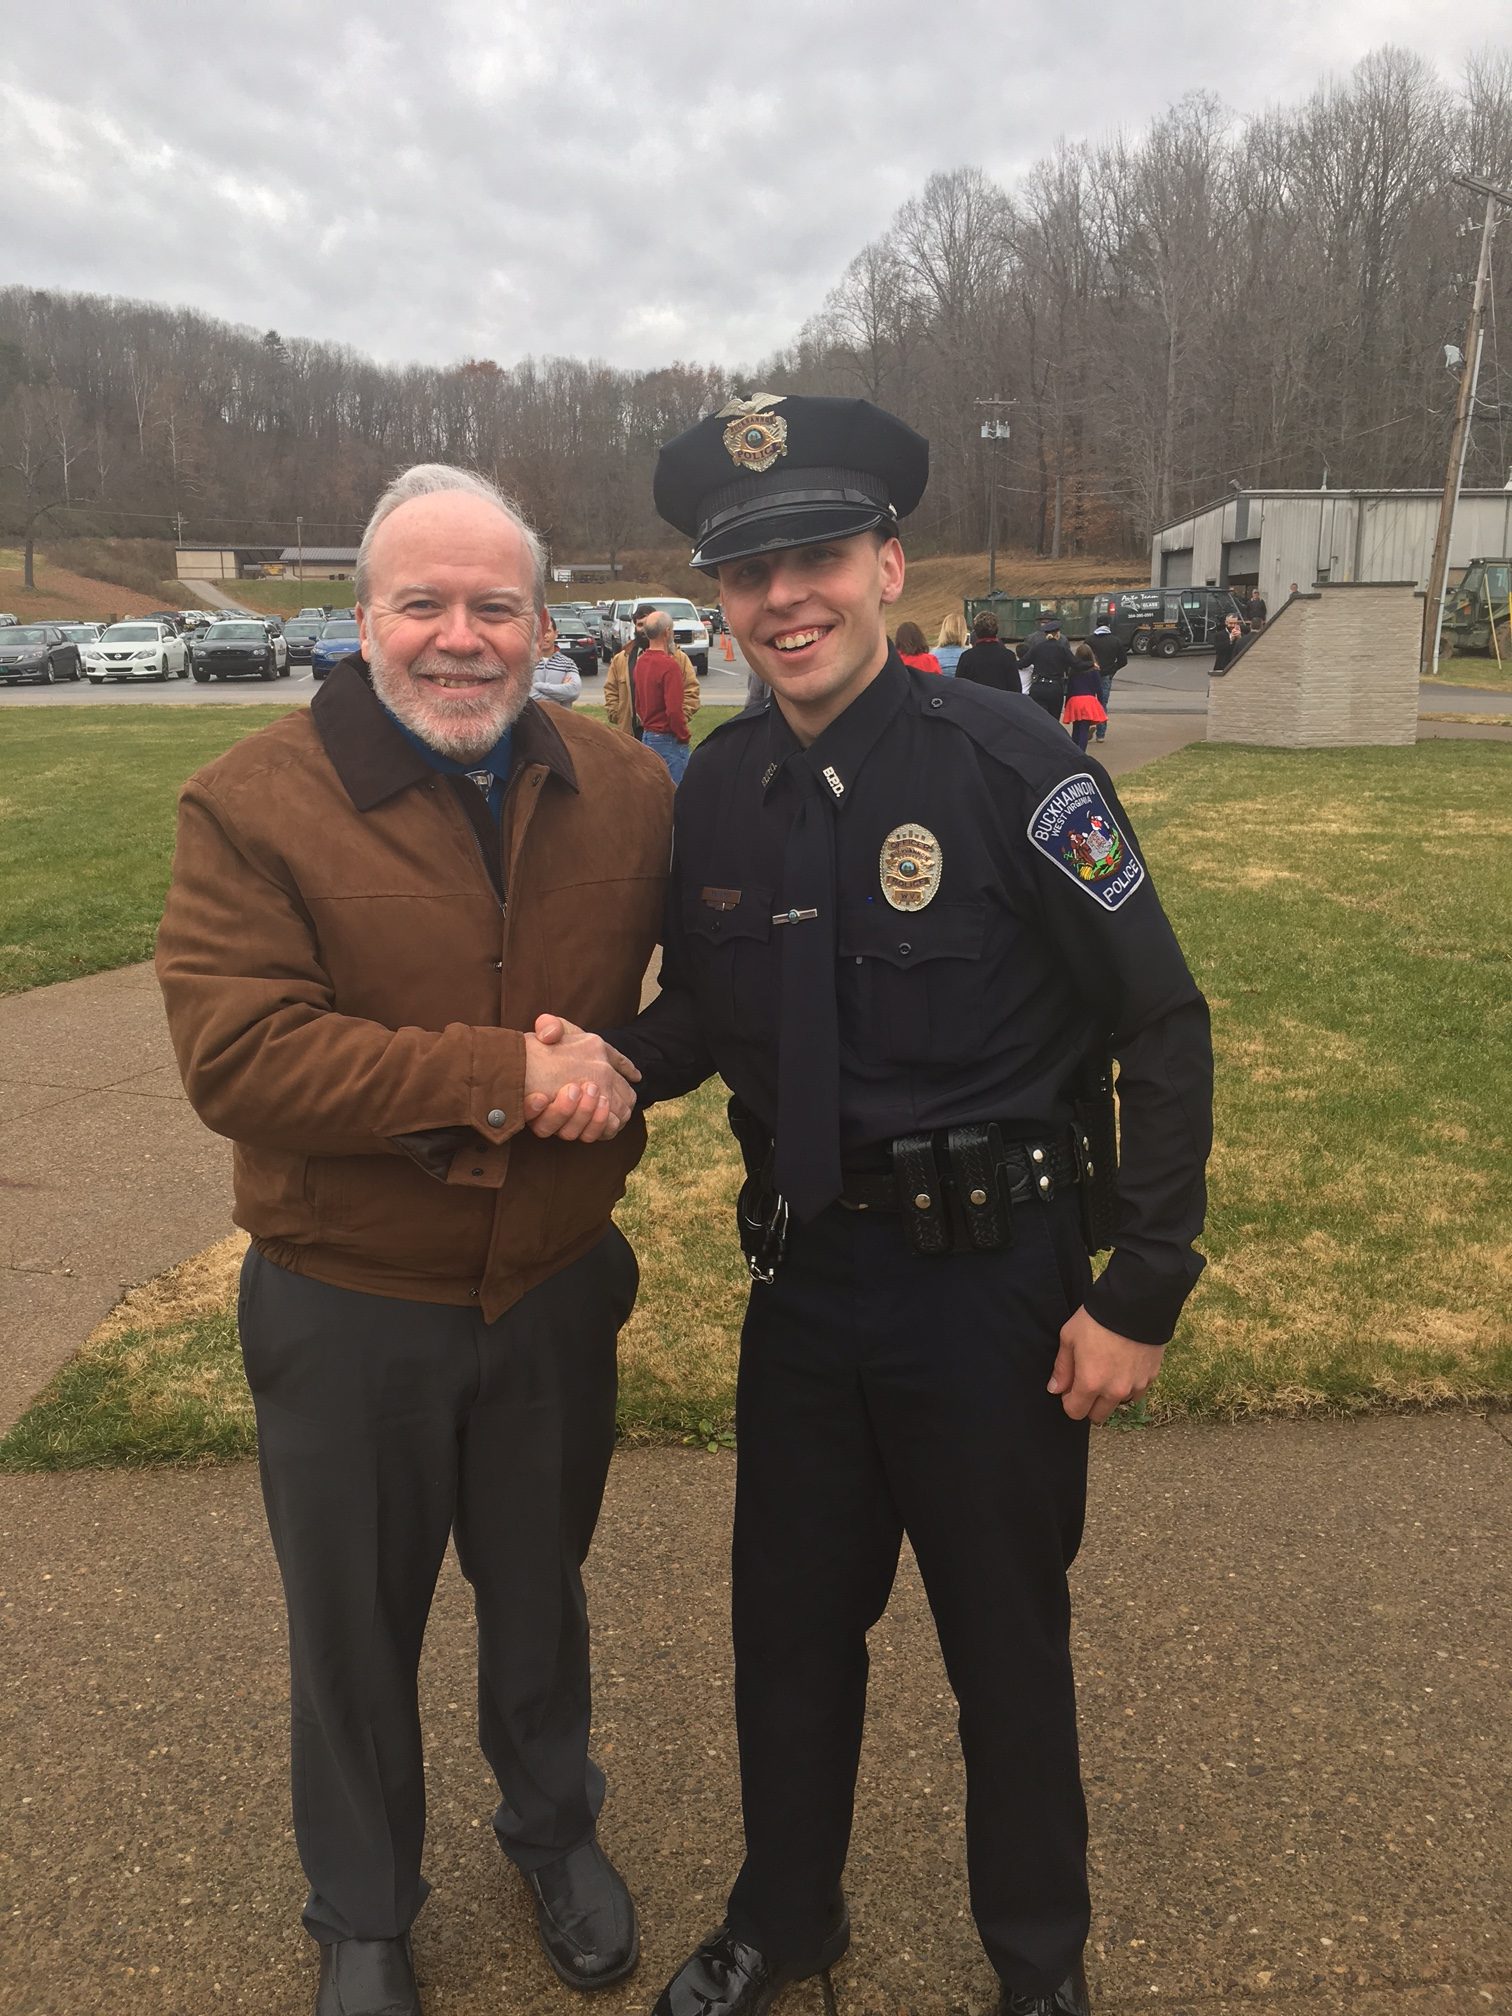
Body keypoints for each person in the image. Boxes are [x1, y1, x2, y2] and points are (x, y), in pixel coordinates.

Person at [527, 395, 1213, 2016]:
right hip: (806, 1290)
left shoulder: (1016, 767)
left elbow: (1161, 1020)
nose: (785, 599)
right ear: (721, 601)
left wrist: (1141, 1285)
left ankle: (1037, 1965)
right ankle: (785, 1919)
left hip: (993, 1299)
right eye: (747, 572)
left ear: (888, 567)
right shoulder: (716, 790)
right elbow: (713, 1008)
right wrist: (617, 1060)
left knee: (1004, 1650)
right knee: (785, 1635)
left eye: (817, 557)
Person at [156, 466, 669, 2016]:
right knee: (354, 1631)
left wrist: (633, 1066)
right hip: (347, 1303)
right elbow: (242, 1060)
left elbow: (704, 992)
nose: (461, 637)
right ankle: (365, 1908)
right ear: (364, 618)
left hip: (553, 1292)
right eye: (423, 604)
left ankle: (553, 1830)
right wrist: (504, 1073)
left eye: (494, 607)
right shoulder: (253, 802)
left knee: (540, 1597)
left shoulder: (627, 788)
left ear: (545, 625)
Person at [604, 602, 702, 739]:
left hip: (666, 734)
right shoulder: (621, 659)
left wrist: (678, 719)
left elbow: (691, 690)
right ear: (634, 627)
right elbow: (611, 690)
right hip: (630, 735)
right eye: (640, 625)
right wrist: (618, 715)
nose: (644, 630)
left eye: (647, 625)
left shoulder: (678, 658)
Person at [633, 610, 692, 782]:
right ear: (667, 632)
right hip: (667, 739)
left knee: (654, 790)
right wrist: (683, 735)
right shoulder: (669, 666)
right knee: (676, 791)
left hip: (647, 735)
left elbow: (638, 704)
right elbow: (674, 710)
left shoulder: (640, 662)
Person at [1017, 615, 1076, 720]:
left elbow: (1023, 663)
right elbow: (1074, 663)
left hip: (1038, 686)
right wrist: (1090, 664)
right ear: (1057, 633)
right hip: (1055, 687)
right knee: (1054, 720)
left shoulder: (1035, 644)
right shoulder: (1062, 645)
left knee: (1038, 719)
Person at [954, 609, 1024, 695]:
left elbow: (959, 688)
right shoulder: (1008, 656)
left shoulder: (967, 656)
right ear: (997, 629)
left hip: (975, 701)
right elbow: (1016, 689)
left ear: (975, 631)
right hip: (1000, 701)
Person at [1061, 641, 1108, 751]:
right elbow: (1099, 689)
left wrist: (1067, 704)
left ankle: (1074, 751)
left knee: (1076, 728)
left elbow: (1070, 689)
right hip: (1088, 701)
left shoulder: (1073, 671)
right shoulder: (1094, 671)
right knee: (1084, 729)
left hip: (1074, 701)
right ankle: (1082, 752)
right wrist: (1101, 704)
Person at [1086, 623, 1128, 743]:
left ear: (1097, 625)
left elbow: (1083, 656)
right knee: (1102, 704)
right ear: (1109, 625)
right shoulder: (1116, 641)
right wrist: (1112, 670)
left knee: (1088, 702)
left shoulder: (1090, 640)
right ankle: (1101, 734)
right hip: (1106, 675)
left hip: (1090, 674)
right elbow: (1123, 661)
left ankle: (1088, 726)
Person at [532, 612, 583, 707]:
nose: (544, 636)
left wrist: (537, 686)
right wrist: (559, 696)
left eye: (548, 631)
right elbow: (523, 695)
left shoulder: (568, 664)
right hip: (532, 717)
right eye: (540, 632)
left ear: (556, 634)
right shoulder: (525, 664)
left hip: (561, 716)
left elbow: (573, 692)